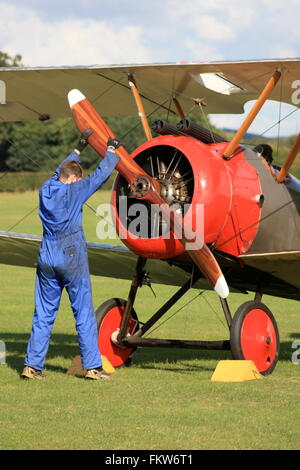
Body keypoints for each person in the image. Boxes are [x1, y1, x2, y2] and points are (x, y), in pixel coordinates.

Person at [21, 130, 121, 380]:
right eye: (78, 178)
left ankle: (31, 367)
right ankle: (92, 368)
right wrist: (112, 151)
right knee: (83, 312)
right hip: (71, 254)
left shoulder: (46, 189)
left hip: (46, 255)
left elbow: (60, 171)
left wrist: (78, 149)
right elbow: (100, 176)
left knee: (43, 313)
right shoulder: (75, 190)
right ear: (75, 178)